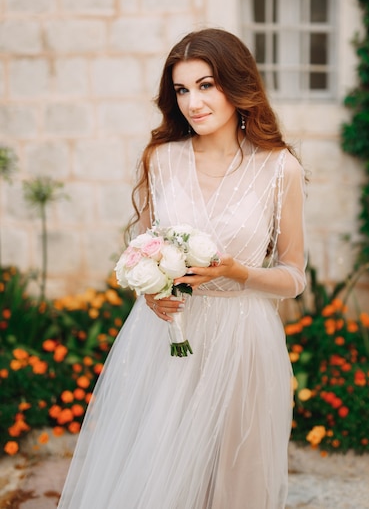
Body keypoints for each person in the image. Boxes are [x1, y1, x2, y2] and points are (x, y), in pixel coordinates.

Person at [57, 28, 306, 509]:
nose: (194, 101)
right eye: (182, 89)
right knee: (159, 480)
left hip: (243, 342)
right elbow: (142, 252)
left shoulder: (280, 169)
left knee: (237, 482)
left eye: (206, 85)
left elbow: (294, 276)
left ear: (237, 85)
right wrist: (148, 291)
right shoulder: (161, 160)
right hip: (167, 341)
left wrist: (239, 272)